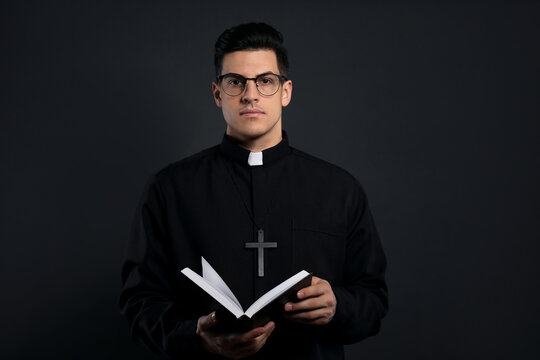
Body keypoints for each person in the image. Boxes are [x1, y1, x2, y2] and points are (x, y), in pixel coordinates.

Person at [120, 22, 388, 360]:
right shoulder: (170, 188)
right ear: (218, 94)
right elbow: (139, 302)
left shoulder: (339, 188)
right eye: (235, 82)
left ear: (285, 91)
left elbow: (374, 300)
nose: (250, 94)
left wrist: (338, 306)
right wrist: (197, 336)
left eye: (265, 81)